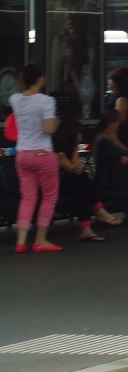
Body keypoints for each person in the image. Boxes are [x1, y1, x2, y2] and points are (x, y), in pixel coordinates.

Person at [11, 64, 61, 253]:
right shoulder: (46, 101)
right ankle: (40, 239)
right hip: (43, 154)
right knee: (48, 197)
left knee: (28, 198)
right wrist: (55, 120)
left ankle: (21, 242)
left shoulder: (15, 99)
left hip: (23, 154)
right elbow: (49, 129)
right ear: (40, 79)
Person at [54, 117, 123, 242]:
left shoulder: (70, 144)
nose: (80, 134)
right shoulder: (56, 144)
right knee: (81, 180)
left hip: (70, 181)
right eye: (78, 132)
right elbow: (69, 167)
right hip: (55, 182)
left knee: (81, 185)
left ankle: (88, 226)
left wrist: (75, 147)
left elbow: (74, 165)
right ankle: (97, 213)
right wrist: (76, 168)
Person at [106, 67, 128, 150]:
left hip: (120, 134)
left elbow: (120, 118)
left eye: (113, 87)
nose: (112, 91)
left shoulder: (121, 98)